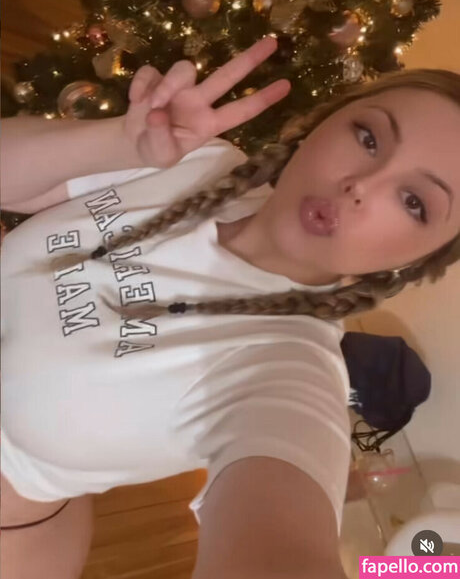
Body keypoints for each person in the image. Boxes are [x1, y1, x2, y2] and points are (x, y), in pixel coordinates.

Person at [1, 36, 459, 579]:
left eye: (414, 202)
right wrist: (117, 142)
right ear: (322, 122)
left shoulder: (289, 372)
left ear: (418, 261)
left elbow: (280, 544)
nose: (361, 185)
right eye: (368, 137)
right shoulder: (201, 161)